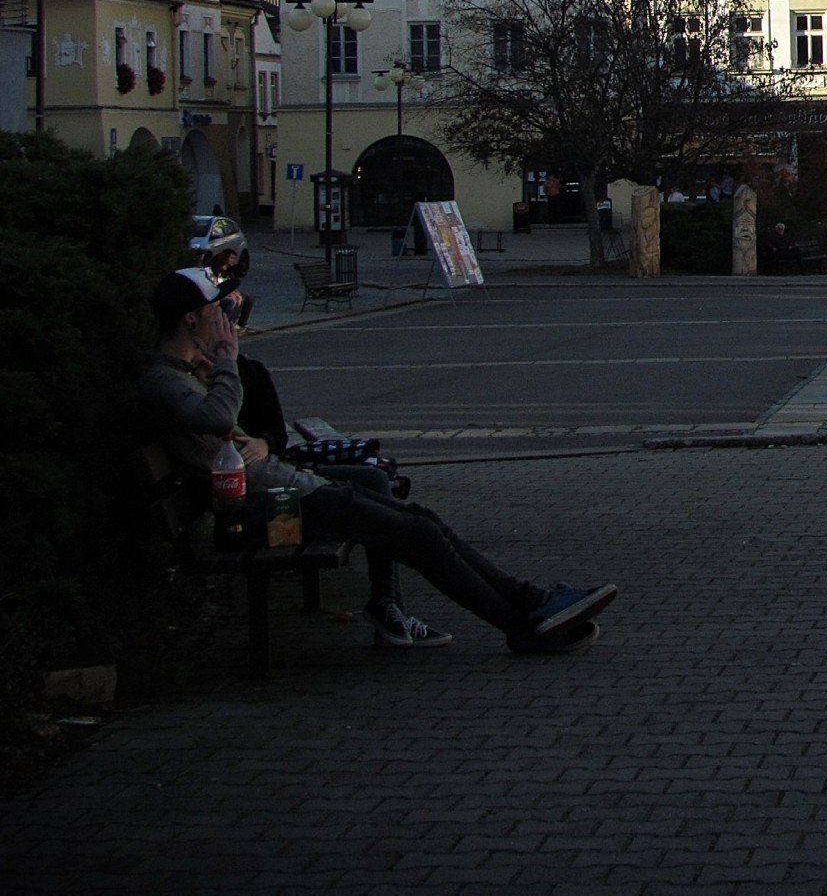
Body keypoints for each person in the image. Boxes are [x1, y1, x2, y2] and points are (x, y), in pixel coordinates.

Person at [140, 268, 617, 655]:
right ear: (190, 321)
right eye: (215, 312)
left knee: (420, 519)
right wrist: (226, 358)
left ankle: (532, 603)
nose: (225, 320)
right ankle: (523, 625)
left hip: (285, 490)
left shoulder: (186, 372)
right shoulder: (166, 380)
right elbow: (218, 417)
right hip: (273, 506)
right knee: (419, 533)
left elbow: (231, 432)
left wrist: (256, 436)